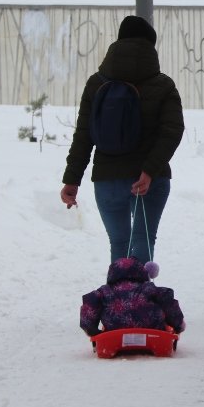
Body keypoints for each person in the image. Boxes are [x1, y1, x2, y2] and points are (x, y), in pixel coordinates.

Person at [60, 15, 185, 264]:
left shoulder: (96, 84)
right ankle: (140, 300)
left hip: (107, 180)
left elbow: (84, 134)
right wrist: (149, 171)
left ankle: (117, 300)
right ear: (151, 46)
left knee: (118, 244)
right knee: (142, 241)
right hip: (150, 181)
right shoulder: (163, 85)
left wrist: (72, 179)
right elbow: (172, 131)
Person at [79, 257, 185, 336]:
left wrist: (92, 331)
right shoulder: (148, 288)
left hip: (114, 332)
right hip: (152, 332)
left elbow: (90, 303)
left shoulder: (106, 291)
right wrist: (178, 325)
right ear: (142, 272)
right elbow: (168, 302)